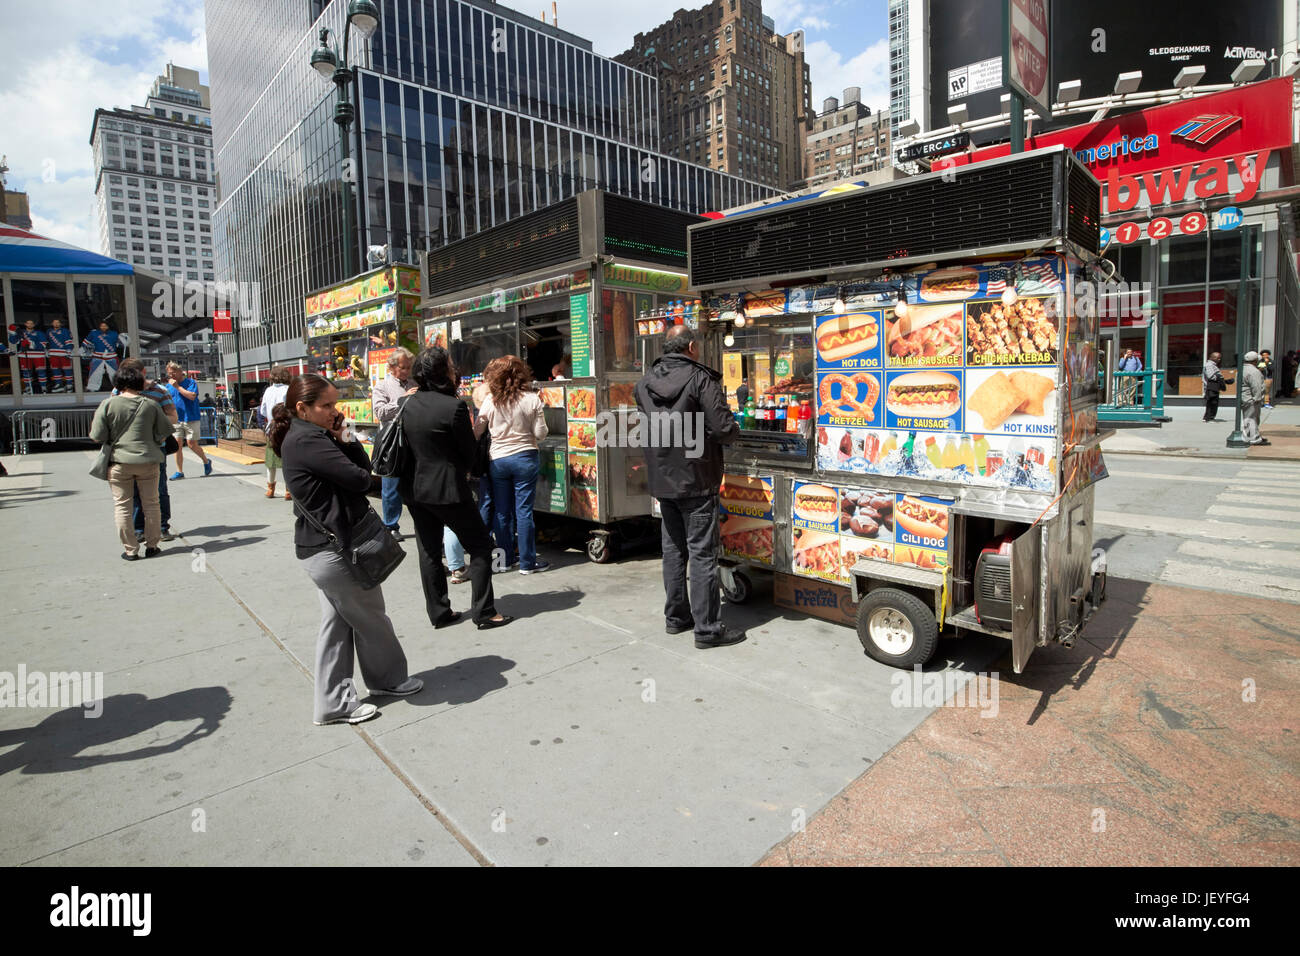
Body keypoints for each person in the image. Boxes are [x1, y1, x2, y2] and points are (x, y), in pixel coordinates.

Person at [271, 373, 423, 726]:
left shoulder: (308, 436)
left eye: (334, 404)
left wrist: (343, 434)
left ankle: (336, 702)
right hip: (333, 551)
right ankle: (384, 682)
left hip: (322, 549)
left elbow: (360, 471)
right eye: (326, 406)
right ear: (302, 408)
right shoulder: (308, 441)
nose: (333, 411)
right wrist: (347, 437)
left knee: (338, 625)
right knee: (371, 619)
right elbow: (360, 477)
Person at [634, 325, 744, 649]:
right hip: (697, 479)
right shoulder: (700, 379)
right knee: (701, 554)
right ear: (692, 346)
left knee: (673, 551)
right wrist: (733, 430)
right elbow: (723, 427)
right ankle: (708, 630)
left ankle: (676, 618)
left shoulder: (644, 383)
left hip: (663, 481)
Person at [399, 347, 512, 630]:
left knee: (428, 551)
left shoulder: (407, 403)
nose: (454, 369)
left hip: (415, 490)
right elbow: (469, 453)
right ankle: (485, 612)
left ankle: (439, 612)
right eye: (449, 365)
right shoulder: (453, 407)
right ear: (443, 372)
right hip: (448, 490)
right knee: (481, 546)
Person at [89, 362, 173, 561]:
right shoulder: (150, 405)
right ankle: (152, 546)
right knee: (152, 503)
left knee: (122, 506)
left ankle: (130, 550)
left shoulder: (108, 404)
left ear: (118, 383)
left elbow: (97, 435)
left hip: (119, 462)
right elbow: (164, 432)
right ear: (139, 382)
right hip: (148, 461)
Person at [475, 356, 550, 574]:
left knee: (502, 511)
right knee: (524, 511)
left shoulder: (490, 401)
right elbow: (540, 433)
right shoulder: (532, 399)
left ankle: (504, 561)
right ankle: (527, 563)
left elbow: (477, 431)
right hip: (525, 458)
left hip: (498, 460)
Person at [113, 359, 178, 543]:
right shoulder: (118, 391)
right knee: (134, 492)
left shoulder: (160, 391)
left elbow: (173, 417)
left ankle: (162, 528)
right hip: (128, 452)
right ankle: (139, 529)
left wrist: (155, 428)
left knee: (159, 490)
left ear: (142, 372)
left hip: (156, 449)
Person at [371, 347, 415, 540]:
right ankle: (391, 526)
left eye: (408, 367)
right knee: (391, 487)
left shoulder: (414, 383)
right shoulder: (382, 386)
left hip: (412, 439)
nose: (407, 371)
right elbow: (379, 412)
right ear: (392, 367)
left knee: (414, 485)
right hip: (392, 443)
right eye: (403, 367)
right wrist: (402, 400)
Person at [165, 362, 212, 478]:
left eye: (173, 373)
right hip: (176, 419)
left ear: (180, 372)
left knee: (192, 444)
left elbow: (191, 396)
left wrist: (177, 387)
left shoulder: (191, 382)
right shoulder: (168, 386)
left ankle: (206, 461)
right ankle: (179, 471)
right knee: (177, 445)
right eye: (169, 374)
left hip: (191, 418)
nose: (171, 376)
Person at [259, 366, 293, 499]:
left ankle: (270, 489)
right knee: (287, 459)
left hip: (271, 428)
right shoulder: (288, 390)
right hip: (286, 428)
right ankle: (288, 490)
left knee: (270, 460)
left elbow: (262, 411)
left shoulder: (268, 390)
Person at [9, 320, 49, 394]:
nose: (30, 325)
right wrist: (12, 333)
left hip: (38, 355)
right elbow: (13, 341)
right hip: (24, 354)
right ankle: (28, 387)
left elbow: (44, 344)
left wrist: (31, 344)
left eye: (31, 323)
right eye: (28, 323)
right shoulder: (21, 333)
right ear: (25, 324)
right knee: (26, 372)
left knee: (41, 372)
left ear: (33, 325)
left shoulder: (39, 333)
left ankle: (43, 388)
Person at [82, 321, 122, 392]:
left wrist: (123, 341)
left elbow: (119, 344)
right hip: (97, 356)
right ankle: (92, 388)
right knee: (95, 372)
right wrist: (87, 349)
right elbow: (85, 343)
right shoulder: (94, 333)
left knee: (114, 373)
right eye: (102, 326)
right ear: (99, 327)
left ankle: (118, 387)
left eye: (105, 326)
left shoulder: (114, 334)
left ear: (108, 326)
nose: (103, 327)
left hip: (111, 357)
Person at [1240, 351, 1270, 446]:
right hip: (1251, 399)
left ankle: (1252, 436)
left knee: (1248, 418)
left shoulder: (1242, 369)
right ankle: (1254, 438)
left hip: (1245, 397)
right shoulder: (1254, 371)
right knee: (1252, 418)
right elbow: (1256, 386)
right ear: (1255, 360)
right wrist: (1257, 399)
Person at [46, 319, 75, 393]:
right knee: (55, 370)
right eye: (54, 322)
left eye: (58, 322)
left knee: (67, 369)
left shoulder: (65, 331)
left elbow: (69, 341)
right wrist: (46, 350)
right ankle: (58, 384)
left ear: (60, 324)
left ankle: (69, 385)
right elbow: (46, 342)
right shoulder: (49, 331)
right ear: (52, 323)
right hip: (53, 353)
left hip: (63, 353)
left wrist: (69, 351)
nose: (56, 324)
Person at [1203, 351, 1231, 422]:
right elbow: (1210, 376)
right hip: (1212, 387)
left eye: (1220, 358)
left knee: (1213, 402)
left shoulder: (1213, 365)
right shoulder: (1209, 365)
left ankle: (1209, 417)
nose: (1219, 359)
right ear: (1212, 357)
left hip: (1214, 387)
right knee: (1212, 402)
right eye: (1217, 358)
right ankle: (1209, 418)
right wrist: (1219, 378)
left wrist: (1224, 381)